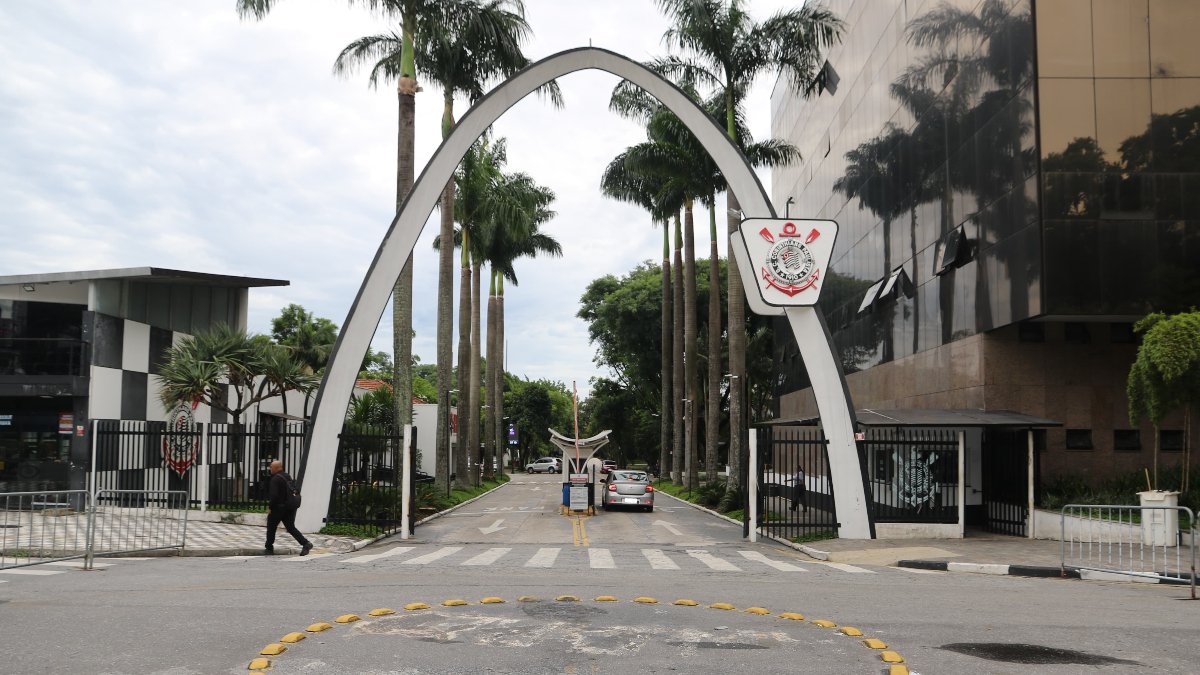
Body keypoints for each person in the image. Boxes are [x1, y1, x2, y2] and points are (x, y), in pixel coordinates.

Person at [265, 460, 312, 556]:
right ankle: (306, 543)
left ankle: (269, 548)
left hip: (278, 508)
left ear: (276, 468)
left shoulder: (275, 479)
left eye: (271, 467)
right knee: (291, 527)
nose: (270, 469)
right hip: (289, 507)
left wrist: (270, 507)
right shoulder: (287, 477)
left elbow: (274, 496)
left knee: (271, 527)